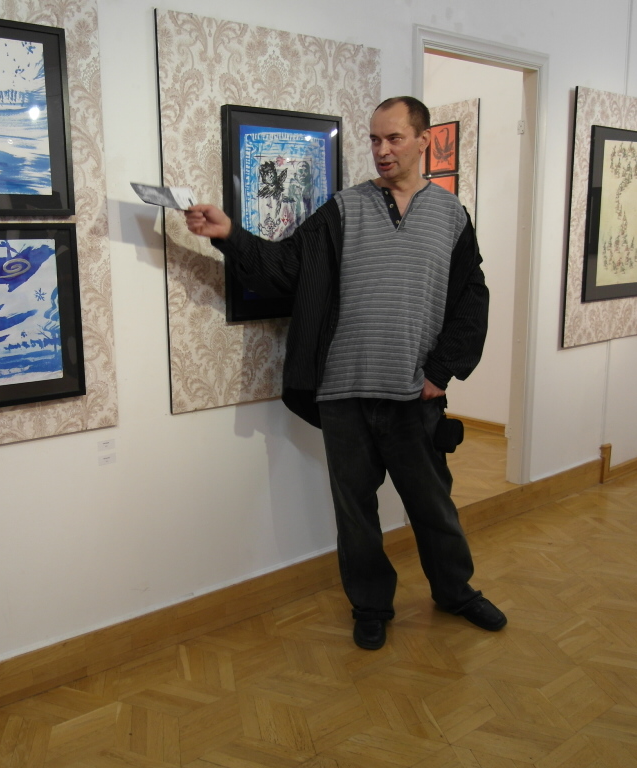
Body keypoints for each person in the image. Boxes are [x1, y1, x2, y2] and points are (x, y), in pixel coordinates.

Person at [185, 96, 506, 650]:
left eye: (394, 138)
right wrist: (229, 233)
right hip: (344, 395)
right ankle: (371, 606)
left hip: (414, 396)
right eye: (375, 139)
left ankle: (455, 592)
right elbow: (285, 268)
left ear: (424, 140)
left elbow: (471, 300)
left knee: (434, 508)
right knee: (356, 514)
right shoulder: (343, 210)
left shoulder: (451, 216)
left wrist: (442, 371)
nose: (382, 150)